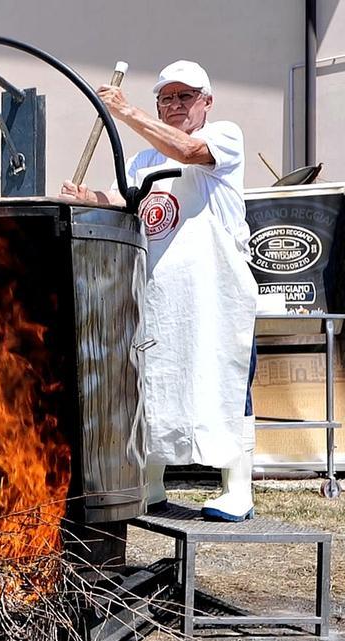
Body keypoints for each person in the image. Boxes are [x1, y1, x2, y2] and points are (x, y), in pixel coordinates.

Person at [60, 60, 258, 522]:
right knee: (154, 381)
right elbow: (124, 202)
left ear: (206, 102)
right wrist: (88, 198)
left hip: (214, 292)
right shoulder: (143, 158)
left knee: (225, 380)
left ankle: (239, 489)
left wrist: (126, 113)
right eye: (166, 98)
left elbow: (189, 152)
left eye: (185, 97)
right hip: (160, 292)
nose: (174, 106)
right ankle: (150, 485)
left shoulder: (225, 136)